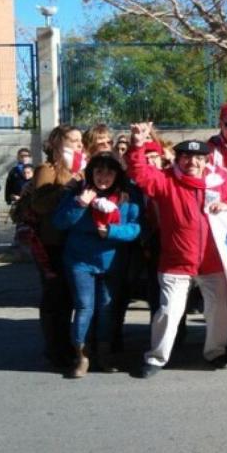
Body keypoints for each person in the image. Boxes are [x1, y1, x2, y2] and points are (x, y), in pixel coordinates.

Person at [127, 122, 227, 378]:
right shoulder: (165, 181)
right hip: (176, 261)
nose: (192, 163)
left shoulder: (221, 181)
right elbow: (139, 173)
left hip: (212, 261)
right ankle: (156, 358)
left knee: (218, 310)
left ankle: (215, 351)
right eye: (186, 157)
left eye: (197, 158)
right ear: (178, 159)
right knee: (169, 311)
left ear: (206, 161)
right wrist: (137, 144)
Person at [53, 153, 141, 378]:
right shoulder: (78, 193)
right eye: (99, 171)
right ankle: (82, 356)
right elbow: (60, 222)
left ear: (117, 174)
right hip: (80, 260)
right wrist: (80, 203)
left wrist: (112, 231)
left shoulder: (127, 197)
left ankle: (104, 354)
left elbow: (135, 228)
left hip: (111, 262)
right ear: (91, 172)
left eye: (110, 172)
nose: (104, 177)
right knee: (84, 306)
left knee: (106, 309)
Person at [31, 125, 84, 368]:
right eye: (73, 140)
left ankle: (71, 346)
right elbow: (40, 204)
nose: (78, 145)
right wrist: (67, 188)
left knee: (73, 299)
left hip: (76, 242)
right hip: (53, 244)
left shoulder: (81, 168)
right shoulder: (47, 169)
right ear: (57, 143)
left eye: (80, 140)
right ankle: (56, 350)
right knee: (56, 299)